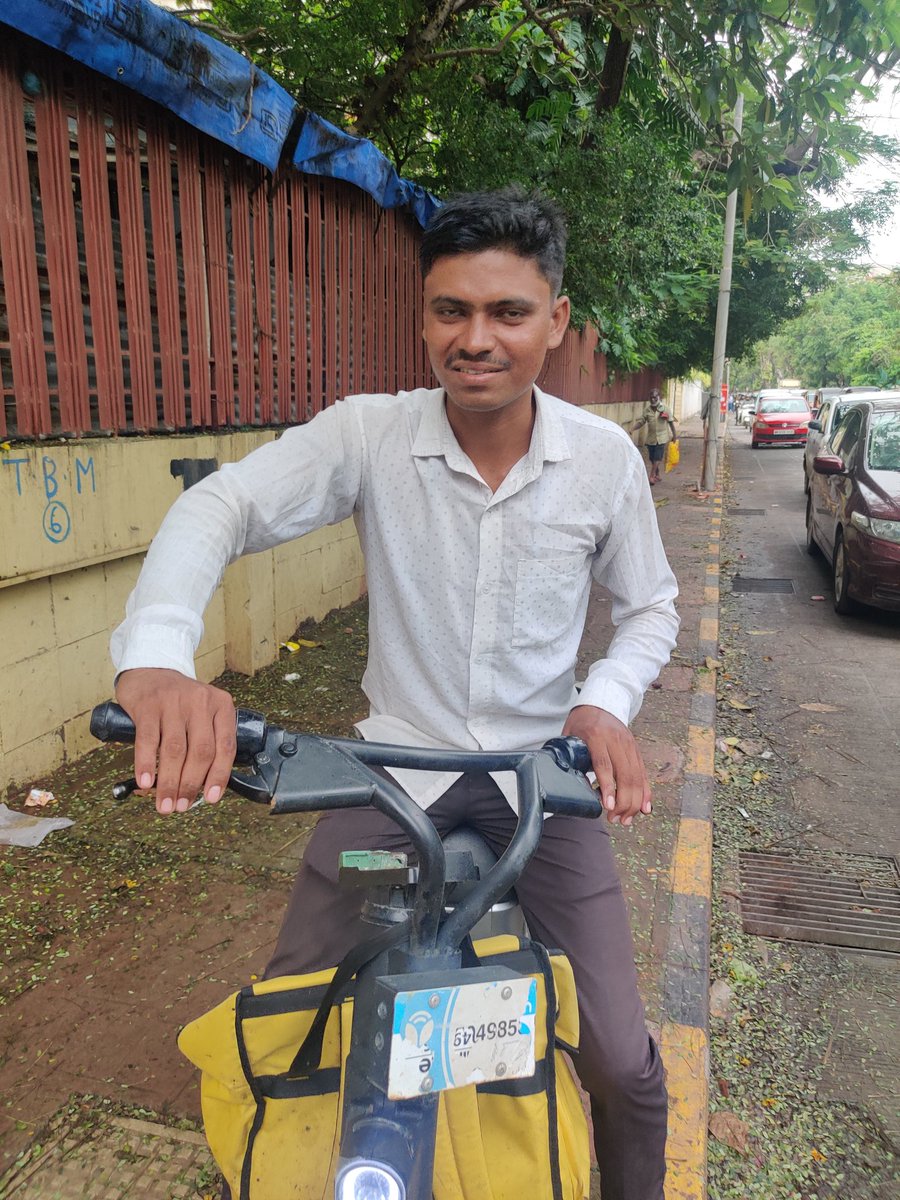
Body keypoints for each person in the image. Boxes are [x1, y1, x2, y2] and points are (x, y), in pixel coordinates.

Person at [110, 187, 679, 1200]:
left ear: (555, 321)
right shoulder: (368, 434)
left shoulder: (603, 463)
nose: (475, 339)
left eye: (506, 312)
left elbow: (650, 611)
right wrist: (157, 656)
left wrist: (605, 703)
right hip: (388, 775)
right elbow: (221, 505)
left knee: (622, 1063)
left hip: (542, 780)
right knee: (293, 1016)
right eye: (450, 310)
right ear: (422, 319)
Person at [630, 388, 677, 484]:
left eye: (655, 397)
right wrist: (632, 429)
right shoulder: (647, 410)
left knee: (658, 457)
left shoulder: (665, 408)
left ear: (659, 397)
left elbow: (671, 423)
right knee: (652, 458)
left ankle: (651, 476)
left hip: (662, 437)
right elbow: (641, 422)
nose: (653, 400)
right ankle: (657, 473)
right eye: (651, 397)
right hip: (651, 438)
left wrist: (674, 435)